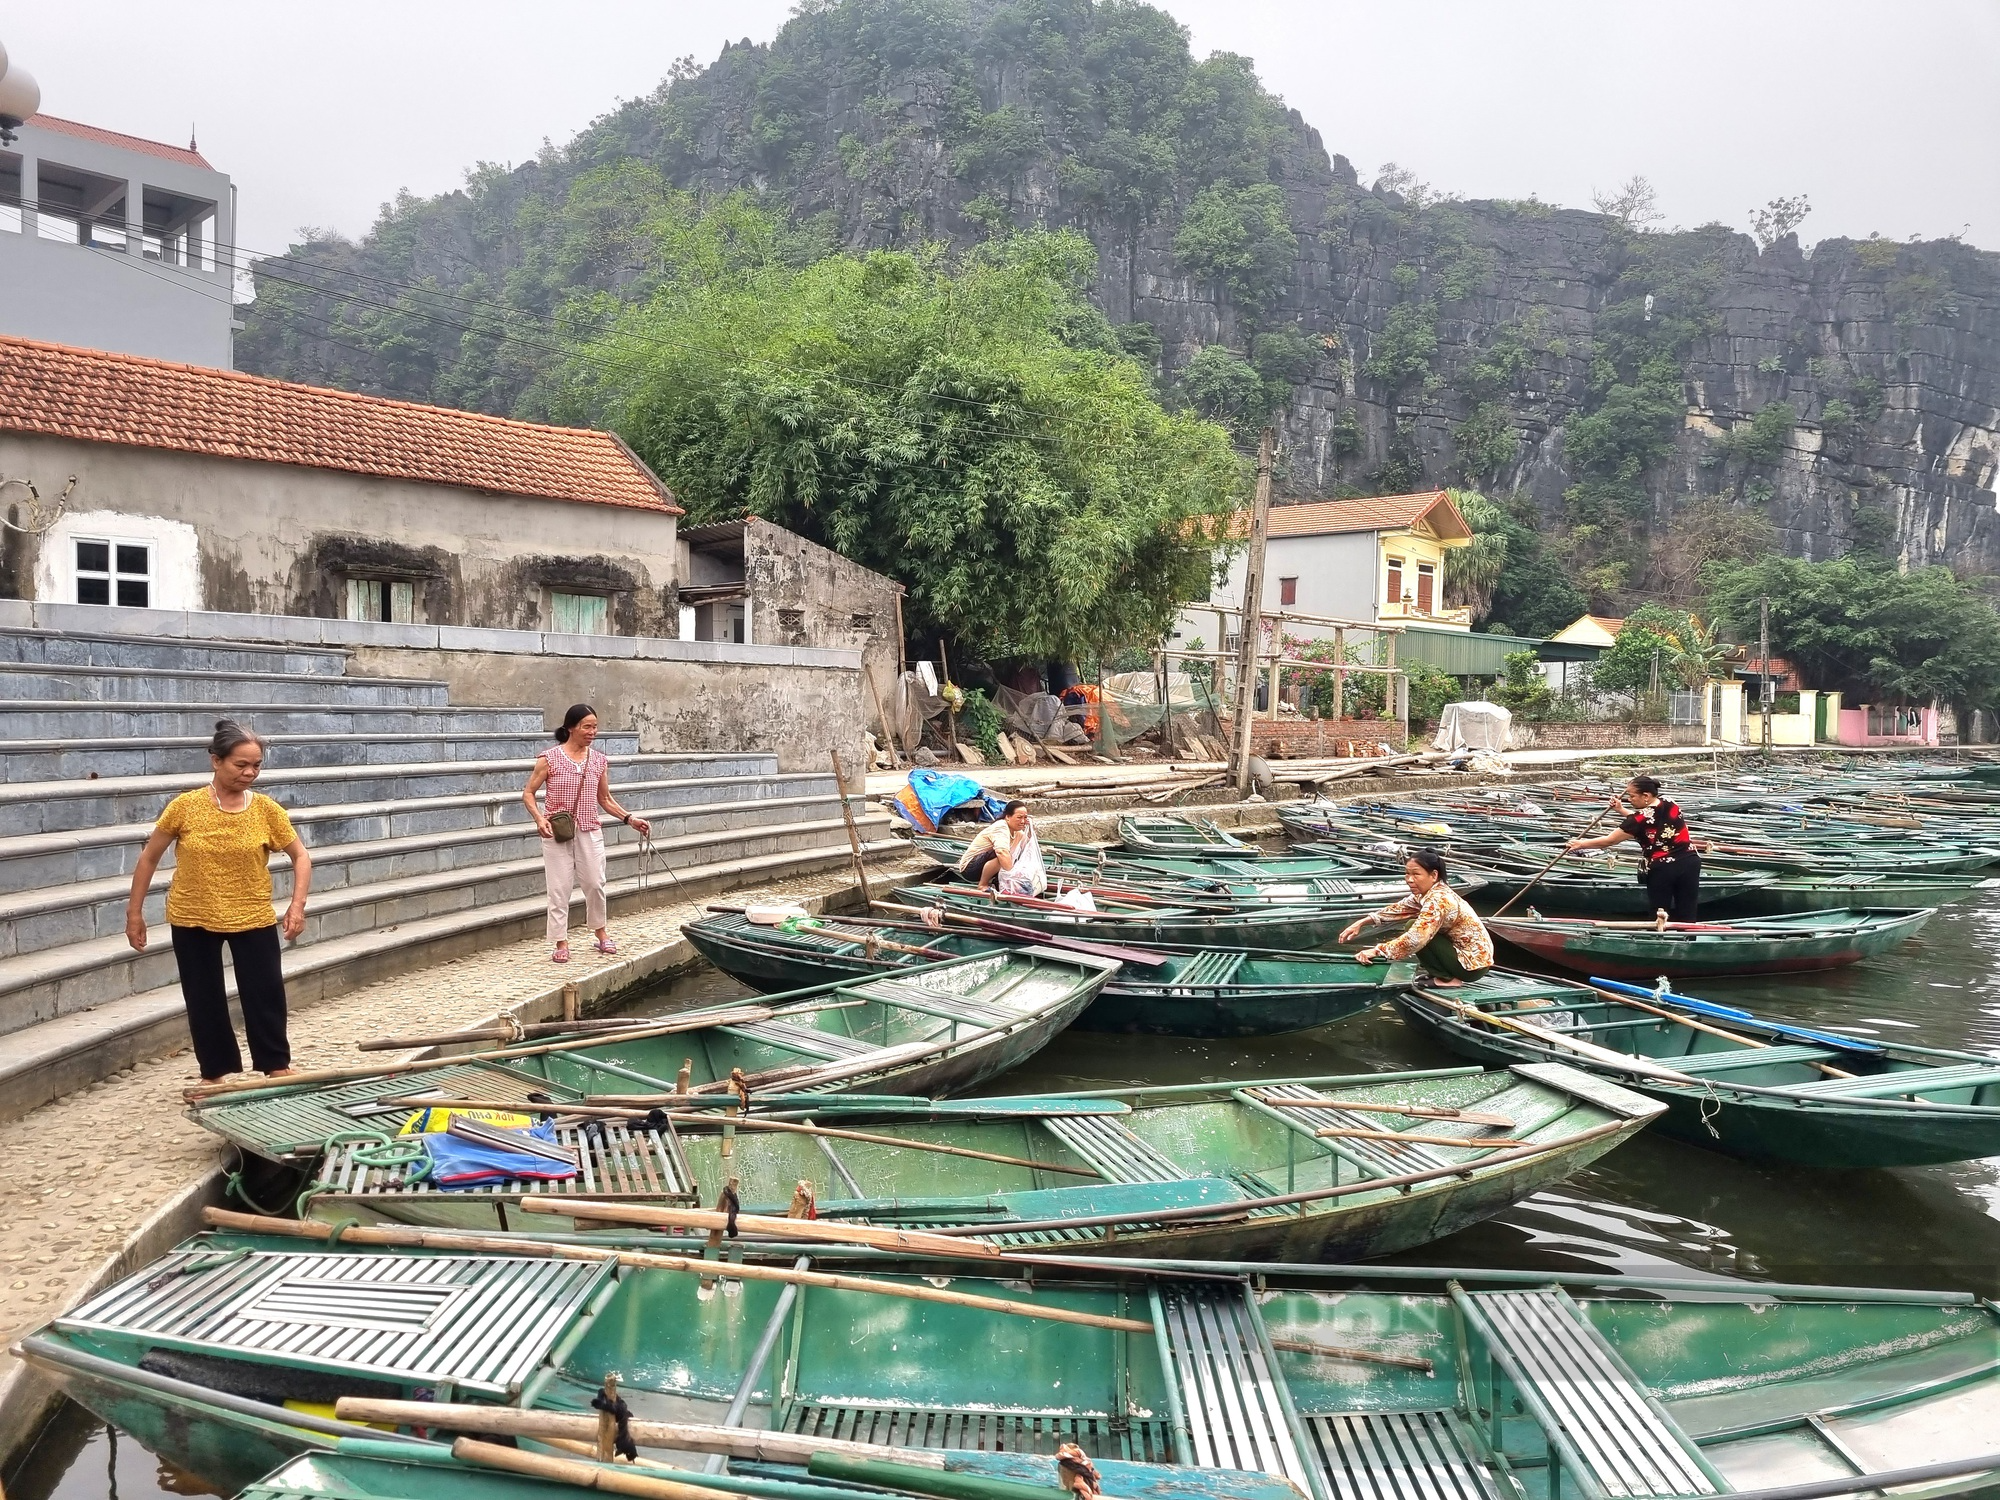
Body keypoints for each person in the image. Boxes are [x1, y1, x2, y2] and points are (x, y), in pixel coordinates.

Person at [125, 719, 313, 1083]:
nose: (249, 772)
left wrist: (297, 905)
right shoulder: (186, 807)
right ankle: (215, 1072)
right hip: (193, 915)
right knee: (203, 997)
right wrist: (135, 914)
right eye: (240, 764)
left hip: (252, 914)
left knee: (265, 992)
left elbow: (300, 856)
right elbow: (149, 857)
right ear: (216, 761)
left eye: (256, 765)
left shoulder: (266, 810)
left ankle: (276, 1065)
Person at [523, 704, 651, 963]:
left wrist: (629, 818)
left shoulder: (599, 760)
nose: (592, 732)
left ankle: (601, 933)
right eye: (587, 726)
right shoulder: (548, 759)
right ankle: (561, 941)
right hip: (557, 831)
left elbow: (604, 798)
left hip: (589, 829)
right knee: (558, 888)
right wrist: (539, 819)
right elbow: (528, 793)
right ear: (571, 728)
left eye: (595, 726)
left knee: (595, 883)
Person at [1338, 849, 1494, 985]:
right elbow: (1399, 909)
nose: (1409, 879)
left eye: (1416, 874)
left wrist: (1377, 951)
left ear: (1433, 875)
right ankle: (1441, 974)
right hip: (1467, 958)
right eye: (1407, 873)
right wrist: (1362, 922)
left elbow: (1415, 939)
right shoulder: (1426, 893)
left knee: (1414, 927)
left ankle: (1448, 979)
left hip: (1472, 966)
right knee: (1414, 924)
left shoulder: (1439, 900)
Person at [1565, 773, 1701, 921]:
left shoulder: (1637, 820)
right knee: (1688, 908)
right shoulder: (1669, 802)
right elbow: (1648, 819)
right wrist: (1621, 809)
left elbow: (1609, 841)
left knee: (1659, 911)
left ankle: (1658, 940)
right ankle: (1688, 938)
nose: (1629, 799)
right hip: (1690, 861)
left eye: (1632, 796)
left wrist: (1580, 844)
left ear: (1646, 796)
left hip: (1664, 869)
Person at [955, 801, 1032, 891]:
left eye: (1025, 818)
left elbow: (1028, 845)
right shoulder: (1001, 827)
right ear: (1007, 817)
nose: (1022, 821)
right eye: (1019, 817)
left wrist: (1030, 828)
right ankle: (982, 884)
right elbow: (1001, 852)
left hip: (986, 866)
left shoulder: (1017, 832)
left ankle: (998, 882)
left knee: (1016, 855)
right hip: (970, 868)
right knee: (1002, 855)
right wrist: (1012, 876)